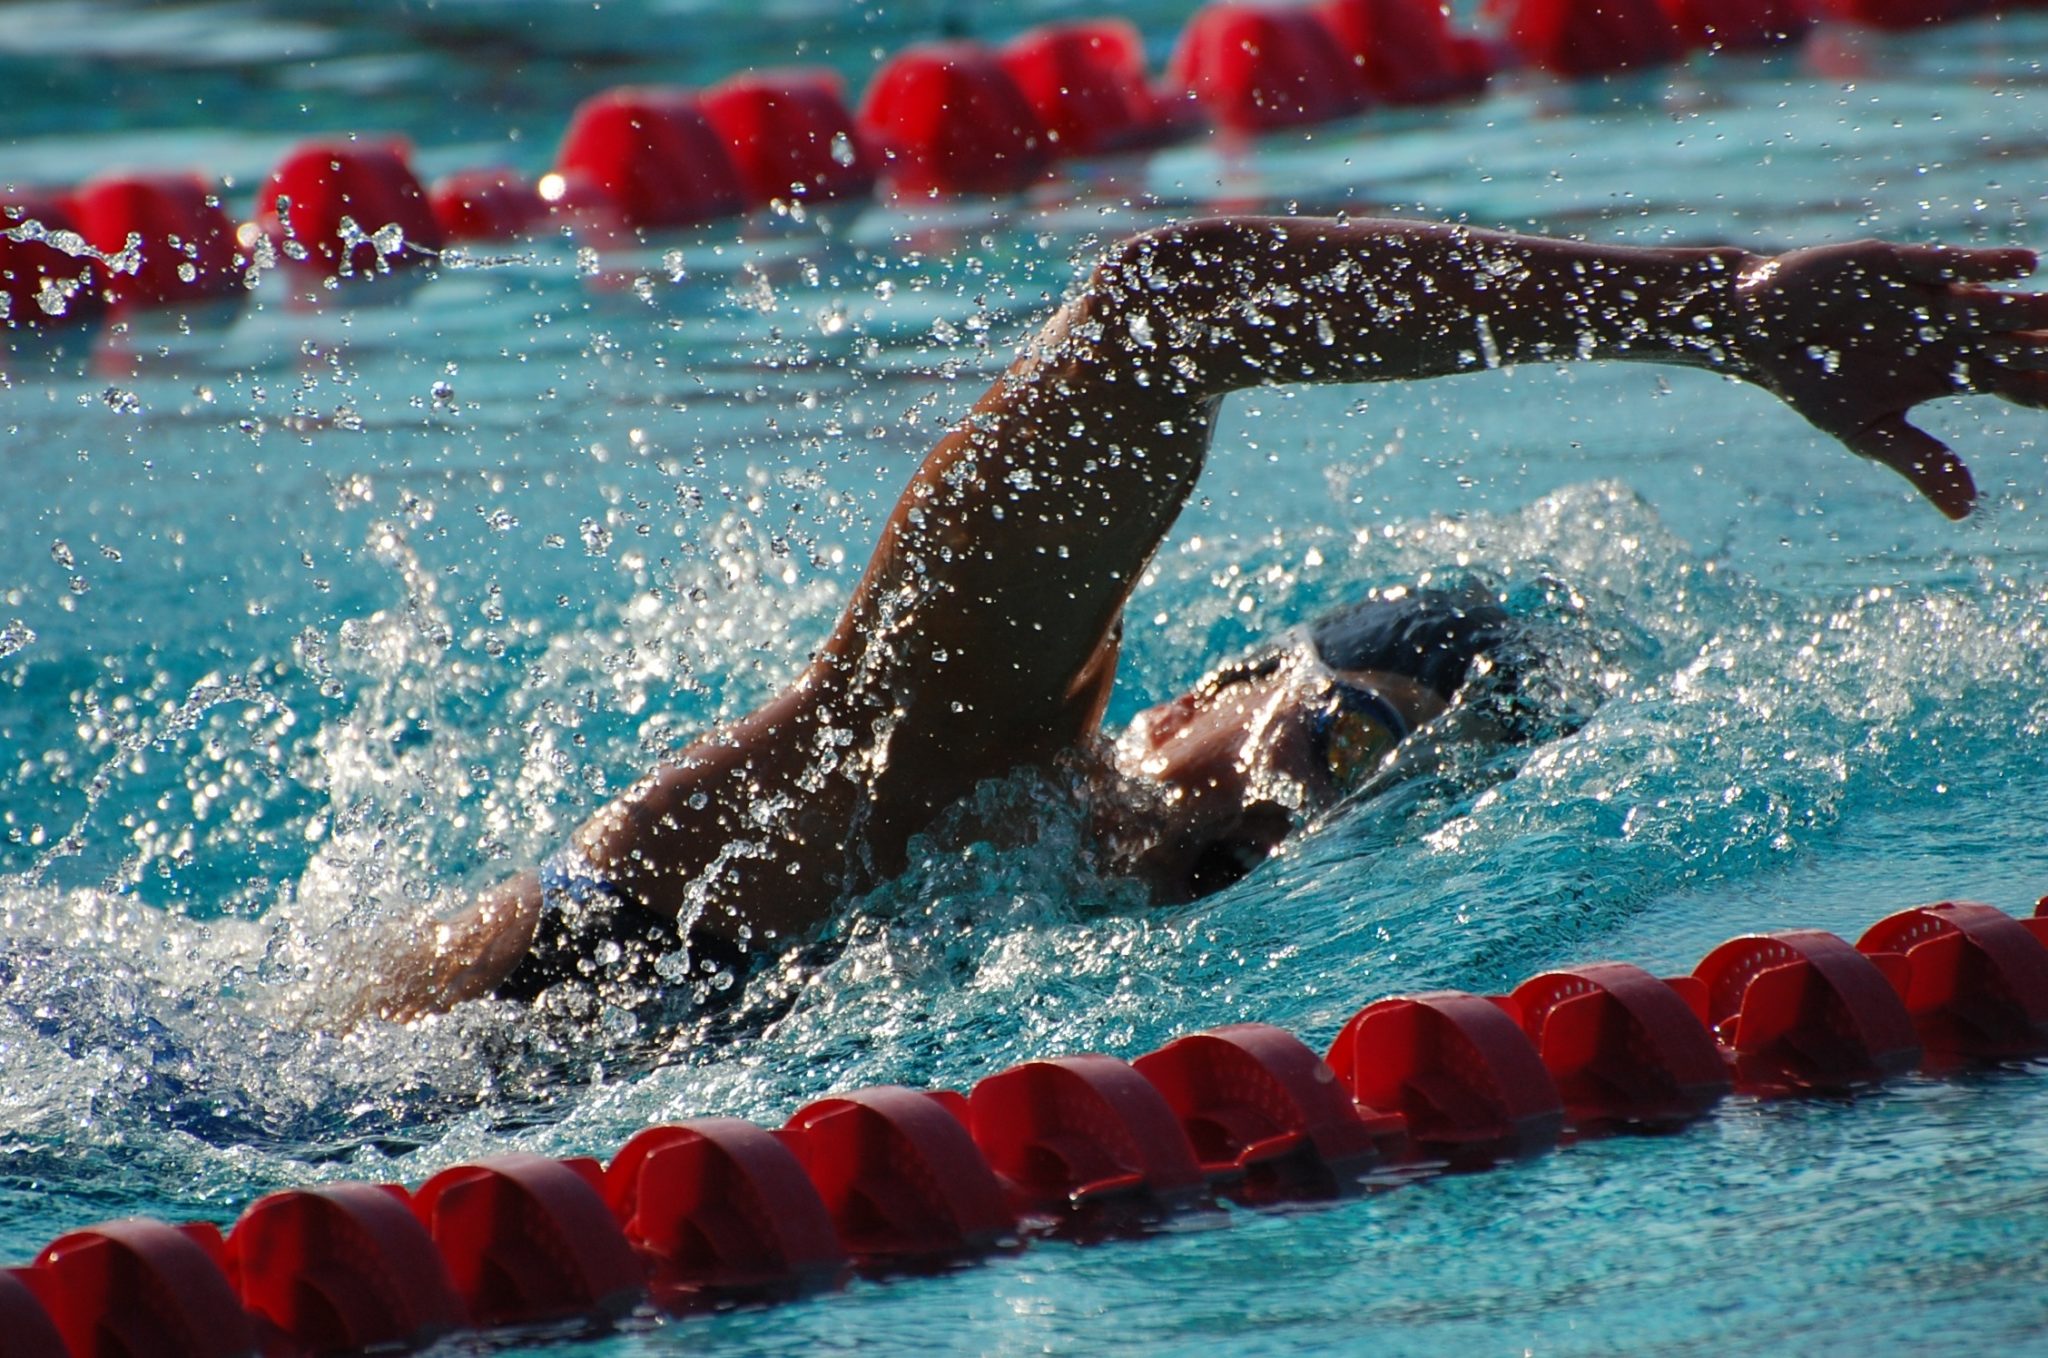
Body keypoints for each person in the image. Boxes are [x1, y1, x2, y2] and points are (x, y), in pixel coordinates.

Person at [355, 216, 2048, 1024]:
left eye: (1377, 810)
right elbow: (1165, 312)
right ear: (1225, 681)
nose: (1301, 814)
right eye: (1344, 736)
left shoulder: (1085, 961)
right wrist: (1712, 312)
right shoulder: (966, 747)